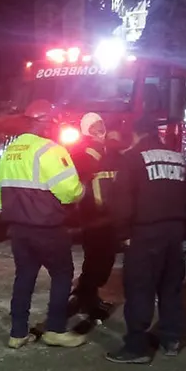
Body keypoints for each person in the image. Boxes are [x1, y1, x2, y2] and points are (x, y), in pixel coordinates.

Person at [103, 116, 186, 365]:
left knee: (140, 289)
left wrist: (123, 233)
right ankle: (171, 339)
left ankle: (137, 347)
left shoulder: (133, 158)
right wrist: (181, 228)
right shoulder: (179, 159)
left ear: (136, 134)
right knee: (170, 287)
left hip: (144, 233)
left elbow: (122, 201)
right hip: (174, 232)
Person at [0, 99, 87, 349]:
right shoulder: (51, 150)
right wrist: (83, 192)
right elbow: (69, 191)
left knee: (24, 275)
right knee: (62, 273)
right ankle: (55, 330)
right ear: (47, 122)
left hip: (17, 228)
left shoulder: (10, 150)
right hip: (46, 227)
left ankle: (18, 333)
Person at [67, 112, 118, 321]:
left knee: (102, 259)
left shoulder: (106, 150)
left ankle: (86, 296)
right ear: (87, 130)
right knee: (97, 260)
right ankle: (85, 298)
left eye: (102, 125)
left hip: (108, 215)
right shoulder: (83, 153)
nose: (101, 129)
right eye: (96, 126)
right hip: (93, 215)